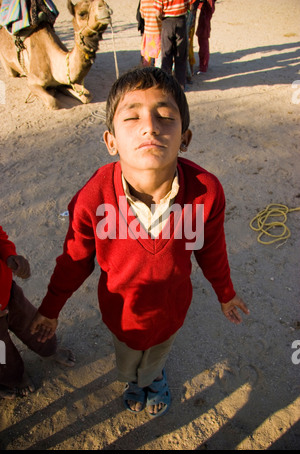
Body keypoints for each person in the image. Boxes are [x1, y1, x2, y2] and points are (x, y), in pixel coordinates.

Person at [30, 67, 249, 418]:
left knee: (158, 354)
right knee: (128, 356)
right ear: (111, 141)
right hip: (121, 316)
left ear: (185, 137)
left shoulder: (206, 191)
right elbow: (74, 259)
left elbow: (211, 248)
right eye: (131, 117)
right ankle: (136, 381)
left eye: (164, 116)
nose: (150, 126)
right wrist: (51, 308)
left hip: (171, 311)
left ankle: (153, 379)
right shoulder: (93, 198)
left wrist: (225, 293)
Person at [0, 226, 75, 399]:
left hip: (7, 292)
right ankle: (13, 378)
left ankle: (49, 350)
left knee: (31, 323)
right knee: (1, 353)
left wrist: (9, 255)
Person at [154, 0, 191, 89]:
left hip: (167, 21)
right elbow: (190, 5)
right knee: (180, 55)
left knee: (166, 54)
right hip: (181, 20)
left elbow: (157, 12)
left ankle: (166, 85)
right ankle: (180, 85)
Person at [195, 0, 216, 74]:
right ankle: (203, 65)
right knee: (202, 36)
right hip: (206, 6)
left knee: (203, 36)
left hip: (206, 7)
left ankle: (203, 66)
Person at [140, 0, 162, 67]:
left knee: (146, 58)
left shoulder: (143, 1)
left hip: (148, 33)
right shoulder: (159, 1)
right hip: (158, 33)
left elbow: (142, 15)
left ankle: (145, 74)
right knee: (158, 58)